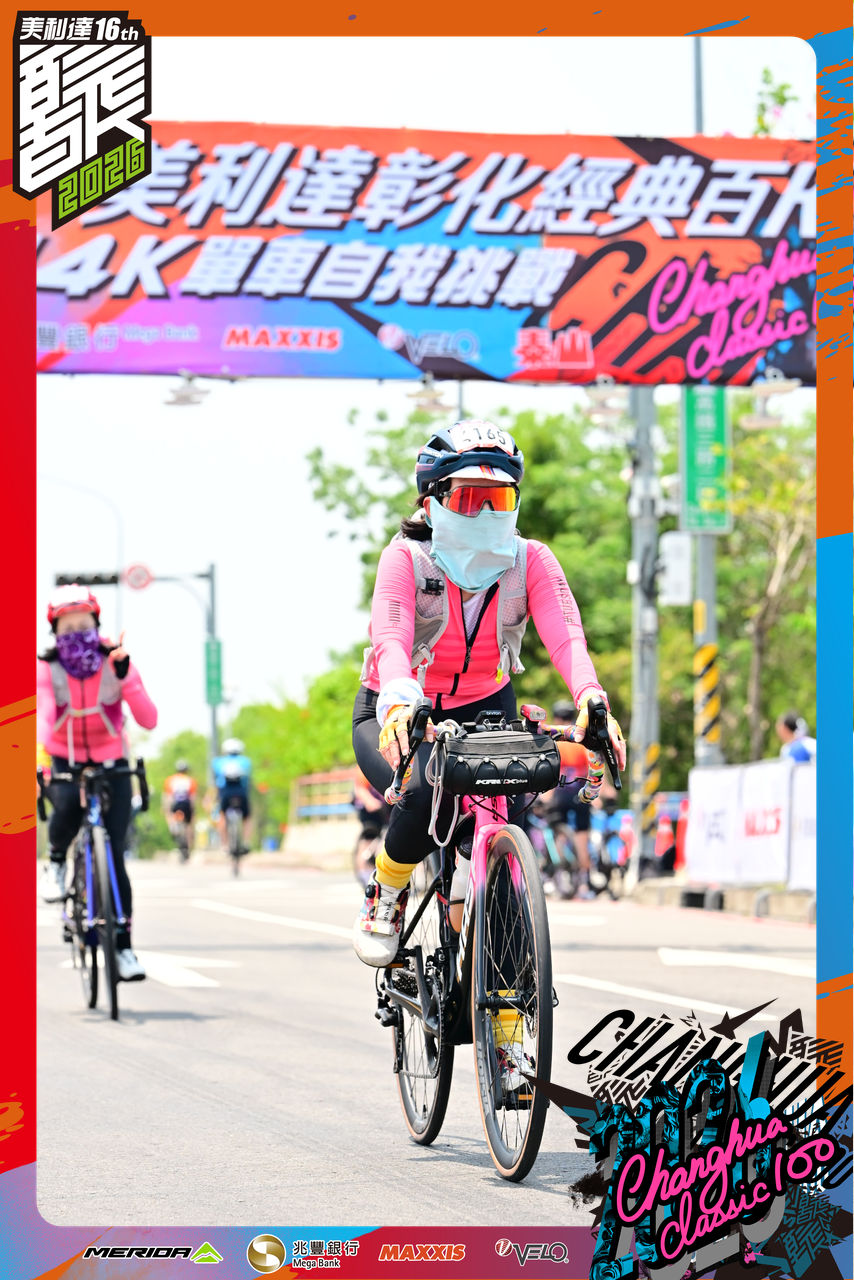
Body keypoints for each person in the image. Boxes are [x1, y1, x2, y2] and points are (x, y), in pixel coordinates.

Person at [351, 419, 626, 982]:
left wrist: (591, 697)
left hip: (487, 706)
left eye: (497, 500)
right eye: (468, 498)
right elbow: (391, 639)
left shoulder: (532, 561)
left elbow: (567, 638)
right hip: (398, 710)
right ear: (432, 502)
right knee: (424, 792)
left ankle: (490, 974)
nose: (483, 515)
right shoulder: (406, 559)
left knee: (504, 816)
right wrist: (400, 702)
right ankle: (387, 890)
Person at [36, 584, 158, 981]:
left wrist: (127, 680)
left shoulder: (115, 660)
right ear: (55, 631)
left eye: (83, 625)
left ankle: (123, 949)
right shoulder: (47, 667)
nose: (76, 633)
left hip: (111, 761)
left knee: (115, 855)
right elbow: (43, 717)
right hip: (65, 758)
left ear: (97, 625)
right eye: (67, 627)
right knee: (65, 806)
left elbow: (148, 719)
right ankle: (56, 863)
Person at [539, 700, 597, 899]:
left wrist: (544, 796)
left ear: (556, 717)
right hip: (581, 793)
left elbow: (551, 772)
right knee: (582, 836)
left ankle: (559, 875)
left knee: (559, 835)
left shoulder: (555, 742)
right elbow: (593, 768)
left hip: (560, 793)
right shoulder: (581, 740)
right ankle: (584, 882)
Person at [351, 768, 393, 884]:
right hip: (369, 806)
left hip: (388, 804)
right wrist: (370, 802)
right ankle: (364, 872)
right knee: (368, 838)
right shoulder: (367, 766)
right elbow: (360, 788)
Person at [212, 738, 252, 852]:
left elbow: (216, 780)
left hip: (225, 793)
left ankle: (224, 844)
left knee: (222, 816)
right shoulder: (245, 761)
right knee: (247, 817)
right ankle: (246, 842)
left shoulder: (218, 762)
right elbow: (248, 780)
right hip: (241, 793)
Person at [162, 760, 197, 856]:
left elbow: (168, 797)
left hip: (176, 804)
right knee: (189, 824)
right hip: (186, 804)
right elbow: (193, 797)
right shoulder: (190, 780)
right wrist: (193, 810)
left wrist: (166, 808)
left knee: (169, 813)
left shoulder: (170, 780)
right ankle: (189, 846)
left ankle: (172, 827)